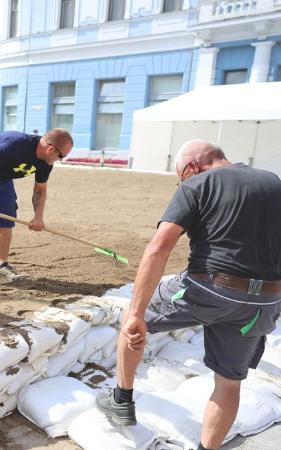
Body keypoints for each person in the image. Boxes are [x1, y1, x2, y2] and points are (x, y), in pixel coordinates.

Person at [96, 139, 281, 450]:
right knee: (229, 383)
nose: (181, 182)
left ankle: (121, 399)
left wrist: (139, 313)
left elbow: (159, 247)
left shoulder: (198, 184)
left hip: (207, 288)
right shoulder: (273, 182)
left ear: (193, 167)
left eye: (180, 175)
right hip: (263, 302)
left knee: (131, 319)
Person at [0, 128, 72, 283]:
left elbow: (40, 189)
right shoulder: (17, 146)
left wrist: (38, 217)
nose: (61, 159)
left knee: (7, 219)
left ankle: (1, 266)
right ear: (51, 149)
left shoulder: (46, 161)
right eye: (61, 156)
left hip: (4, 178)